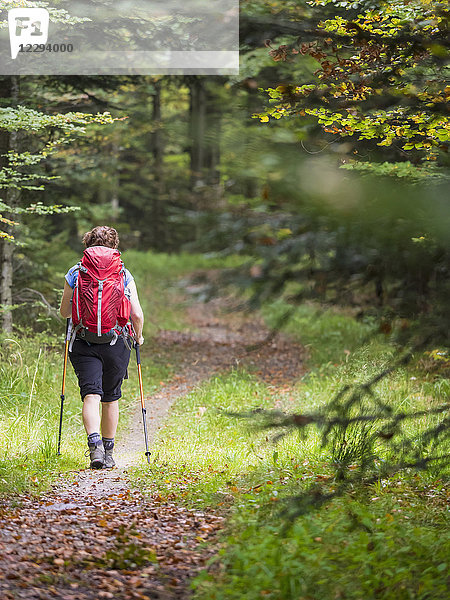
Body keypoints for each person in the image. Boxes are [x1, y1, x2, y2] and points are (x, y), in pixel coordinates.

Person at [60, 226, 144, 469]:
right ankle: (108, 453)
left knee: (91, 395)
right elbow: (136, 314)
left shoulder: (76, 272)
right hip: (116, 342)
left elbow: (65, 312)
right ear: (115, 247)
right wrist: (138, 337)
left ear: (87, 245)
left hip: (83, 342)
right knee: (110, 398)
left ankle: (94, 446)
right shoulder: (123, 273)